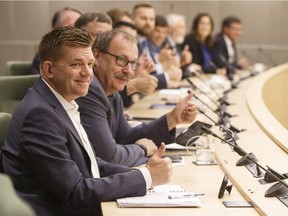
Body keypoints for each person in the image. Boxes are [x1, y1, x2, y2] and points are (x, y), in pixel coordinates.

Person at [1, 26, 172, 216]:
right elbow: (76, 191)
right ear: (49, 69)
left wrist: (143, 172)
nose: (88, 73)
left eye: (90, 64)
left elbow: (89, 164)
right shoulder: (40, 115)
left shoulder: (61, 101)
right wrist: (145, 177)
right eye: (76, 64)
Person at [76, 29, 198, 167]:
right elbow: (109, 157)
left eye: (133, 63)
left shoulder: (113, 92)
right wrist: (142, 149)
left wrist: (172, 119)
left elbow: (124, 137)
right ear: (97, 56)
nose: (128, 71)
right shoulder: (90, 90)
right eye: (121, 60)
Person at [30, 7, 82, 74]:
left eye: (79, 28)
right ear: (55, 30)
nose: (77, 33)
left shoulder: (90, 53)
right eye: (70, 28)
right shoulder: (44, 55)